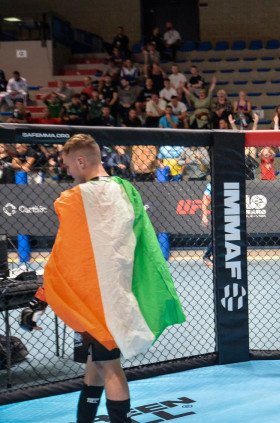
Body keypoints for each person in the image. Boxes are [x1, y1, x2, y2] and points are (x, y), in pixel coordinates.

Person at [19, 133, 185, 423]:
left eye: (69, 164)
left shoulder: (75, 199)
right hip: (119, 292)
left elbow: (64, 257)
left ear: (81, 161)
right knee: (95, 365)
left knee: (109, 368)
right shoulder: (126, 190)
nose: (67, 170)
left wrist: (41, 298)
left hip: (94, 302)